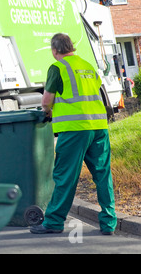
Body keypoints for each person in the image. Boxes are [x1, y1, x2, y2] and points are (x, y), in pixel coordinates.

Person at [30, 33, 117, 235]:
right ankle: (109, 223)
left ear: (54, 51)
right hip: (99, 127)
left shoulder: (57, 67)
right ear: (71, 47)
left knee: (65, 176)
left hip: (74, 130)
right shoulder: (87, 65)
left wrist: (48, 112)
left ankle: (53, 222)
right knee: (103, 175)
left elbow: (46, 102)